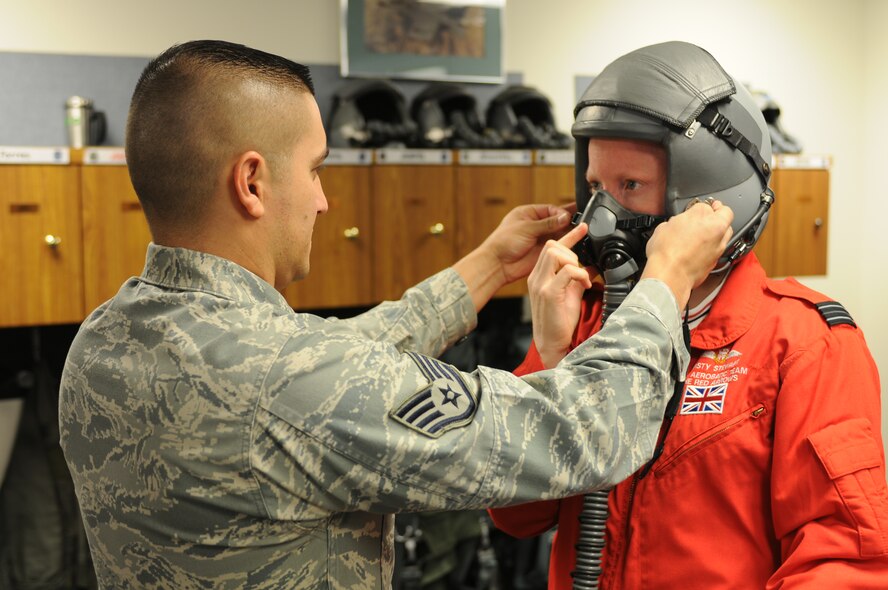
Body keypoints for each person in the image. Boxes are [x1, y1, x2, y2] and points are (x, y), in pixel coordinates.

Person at [57, 40, 733, 589]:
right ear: (252, 182)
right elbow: (584, 429)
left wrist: (488, 267)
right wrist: (669, 278)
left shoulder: (105, 339)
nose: (323, 202)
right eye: (316, 171)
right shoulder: (288, 385)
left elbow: (324, 359)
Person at [489, 41, 888, 589]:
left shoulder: (803, 343)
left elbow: (842, 560)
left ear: (708, 202)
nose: (604, 218)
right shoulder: (589, 324)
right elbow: (515, 516)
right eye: (596, 188)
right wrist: (550, 361)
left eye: (631, 186)